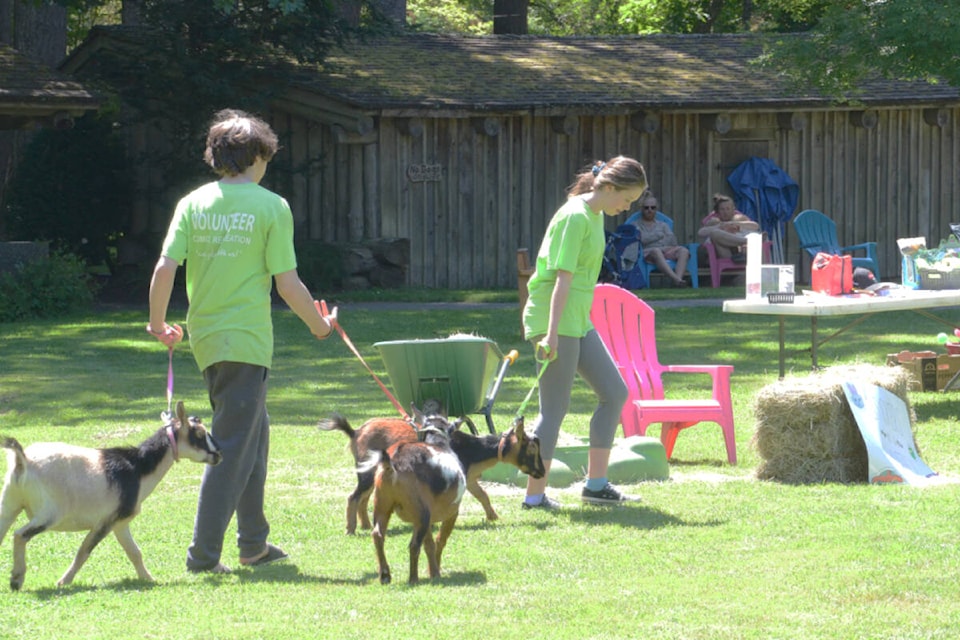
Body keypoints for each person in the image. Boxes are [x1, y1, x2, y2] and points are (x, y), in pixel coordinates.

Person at [146, 108, 337, 574]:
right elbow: (287, 283)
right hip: (246, 343)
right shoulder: (272, 207)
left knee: (256, 437)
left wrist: (157, 324)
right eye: (266, 157)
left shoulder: (193, 202)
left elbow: (165, 268)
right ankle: (203, 558)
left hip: (209, 340)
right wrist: (319, 325)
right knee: (230, 449)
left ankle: (252, 544)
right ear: (257, 157)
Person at [521, 156, 647, 509]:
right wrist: (550, 335)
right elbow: (562, 279)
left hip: (576, 319)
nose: (627, 207)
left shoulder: (594, 215)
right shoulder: (575, 216)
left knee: (614, 393)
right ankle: (534, 496)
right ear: (608, 188)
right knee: (554, 410)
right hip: (554, 320)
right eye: (626, 199)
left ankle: (596, 485)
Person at [632, 194, 690, 287]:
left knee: (684, 251)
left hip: (666, 249)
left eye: (653, 208)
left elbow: (673, 241)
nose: (650, 210)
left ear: (656, 209)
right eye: (646, 208)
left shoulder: (663, 225)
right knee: (656, 250)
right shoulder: (635, 225)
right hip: (647, 252)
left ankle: (678, 280)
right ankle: (676, 279)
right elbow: (641, 240)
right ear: (641, 209)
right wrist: (658, 236)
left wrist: (653, 239)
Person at [697, 193, 759, 263]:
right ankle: (748, 242)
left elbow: (755, 226)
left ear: (733, 210)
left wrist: (733, 224)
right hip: (726, 255)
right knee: (715, 234)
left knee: (752, 235)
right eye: (722, 209)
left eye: (728, 209)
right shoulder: (714, 221)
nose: (725, 212)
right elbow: (700, 232)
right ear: (718, 211)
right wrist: (721, 226)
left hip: (741, 253)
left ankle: (746, 246)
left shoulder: (738, 218)